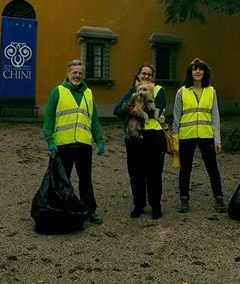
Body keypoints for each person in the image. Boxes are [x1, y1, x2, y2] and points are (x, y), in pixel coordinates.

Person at [41, 59, 105, 224]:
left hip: (83, 145)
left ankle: (90, 210)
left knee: (86, 180)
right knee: (62, 180)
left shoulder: (89, 93)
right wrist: (50, 140)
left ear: (83, 75)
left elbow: (94, 119)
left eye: (80, 73)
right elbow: (49, 118)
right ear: (68, 73)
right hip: (62, 145)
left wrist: (99, 140)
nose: (77, 75)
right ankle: (61, 209)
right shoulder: (58, 92)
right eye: (74, 72)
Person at [113, 64, 167, 219]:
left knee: (154, 174)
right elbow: (117, 109)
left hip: (154, 137)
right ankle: (139, 205)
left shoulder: (159, 90)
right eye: (144, 73)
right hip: (134, 138)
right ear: (138, 75)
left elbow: (157, 110)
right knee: (135, 174)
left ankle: (155, 206)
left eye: (149, 74)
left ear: (153, 77)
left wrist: (137, 112)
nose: (146, 76)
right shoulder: (132, 91)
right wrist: (132, 111)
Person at [171, 58, 225, 213]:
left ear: (204, 72)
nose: (197, 71)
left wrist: (217, 139)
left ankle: (219, 197)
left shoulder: (211, 91)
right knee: (185, 168)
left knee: (212, 167)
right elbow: (177, 116)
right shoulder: (182, 91)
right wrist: (175, 138)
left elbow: (215, 116)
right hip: (186, 135)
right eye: (194, 69)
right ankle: (184, 199)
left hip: (206, 135)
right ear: (190, 72)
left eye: (200, 69)